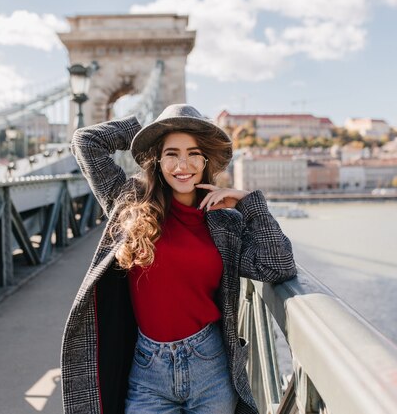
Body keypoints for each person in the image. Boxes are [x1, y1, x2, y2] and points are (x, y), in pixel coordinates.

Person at [61, 104, 297, 414]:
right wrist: (145, 132)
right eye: (171, 153)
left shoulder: (226, 224)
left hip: (209, 367)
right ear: (157, 160)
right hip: (148, 371)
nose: (182, 164)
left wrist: (247, 203)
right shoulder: (130, 203)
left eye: (193, 154)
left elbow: (278, 265)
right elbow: (86, 142)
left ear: (205, 160)